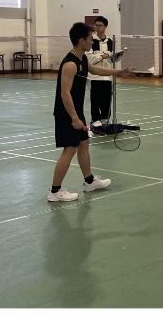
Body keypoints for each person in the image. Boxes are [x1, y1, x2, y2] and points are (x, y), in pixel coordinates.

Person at [49, 22, 117, 202]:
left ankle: (89, 182)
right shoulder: (70, 64)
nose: (92, 42)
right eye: (90, 39)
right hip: (66, 112)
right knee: (70, 149)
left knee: (84, 144)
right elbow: (65, 93)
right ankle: (55, 191)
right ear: (81, 41)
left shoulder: (83, 59)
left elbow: (96, 69)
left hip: (76, 110)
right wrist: (74, 118)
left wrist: (119, 72)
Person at [88, 17, 118, 126]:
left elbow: (112, 59)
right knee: (95, 100)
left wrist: (117, 56)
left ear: (105, 27)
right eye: (96, 25)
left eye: (100, 25)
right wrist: (101, 56)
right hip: (95, 75)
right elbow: (89, 58)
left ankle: (105, 118)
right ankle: (95, 119)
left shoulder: (110, 41)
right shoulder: (91, 40)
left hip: (107, 75)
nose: (97, 27)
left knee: (106, 99)